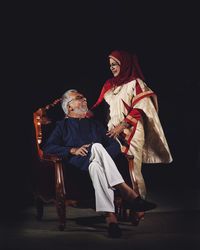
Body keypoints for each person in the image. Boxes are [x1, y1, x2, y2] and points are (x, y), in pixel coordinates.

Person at [43, 89, 156, 238]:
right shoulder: (61, 126)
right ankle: (126, 191)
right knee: (97, 146)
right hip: (76, 167)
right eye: (79, 98)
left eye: (84, 97)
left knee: (96, 165)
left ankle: (111, 219)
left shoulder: (94, 124)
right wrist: (72, 150)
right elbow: (48, 147)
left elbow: (114, 145)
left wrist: (102, 157)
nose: (84, 99)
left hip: (96, 166)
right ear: (69, 107)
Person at [90, 50, 173, 224]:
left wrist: (122, 126)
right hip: (112, 131)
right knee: (114, 166)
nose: (112, 68)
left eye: (115, 64)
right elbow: (99, 107)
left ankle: (138, 206)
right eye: (110, 65)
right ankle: (117, 205)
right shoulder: (110, 85)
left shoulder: (136, 83)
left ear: (124, 64)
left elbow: (140, 108)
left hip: (132, 130)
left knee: (132, 167)